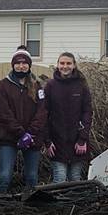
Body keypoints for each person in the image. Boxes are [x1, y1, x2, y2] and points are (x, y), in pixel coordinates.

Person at [0, 48, 47, 193]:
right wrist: (20, 133)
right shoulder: (4, 85)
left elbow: (42, 112)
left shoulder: (38, 85)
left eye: (24, 63)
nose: (21, 66)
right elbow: (3, 112)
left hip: (32, 139)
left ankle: (30, 209)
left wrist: (30, 133)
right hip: (9, 138)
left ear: (29, 65)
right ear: (13, 65)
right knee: (5, 176)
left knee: (31, 177)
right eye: (17, 63)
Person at [44, 52, 92, 182]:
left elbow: (87, 113)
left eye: (68, 63)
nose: (65, 66)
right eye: (62, 63)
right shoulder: (50, 86)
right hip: (57, 143)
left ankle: (74, 203)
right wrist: (47, 141)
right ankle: (56, 203)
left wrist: (82, 139)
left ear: (74, 65)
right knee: (60, 178)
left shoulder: (82, 85)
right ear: (58, 65)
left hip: (78, 143)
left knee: (75, 179)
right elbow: (44, 114)